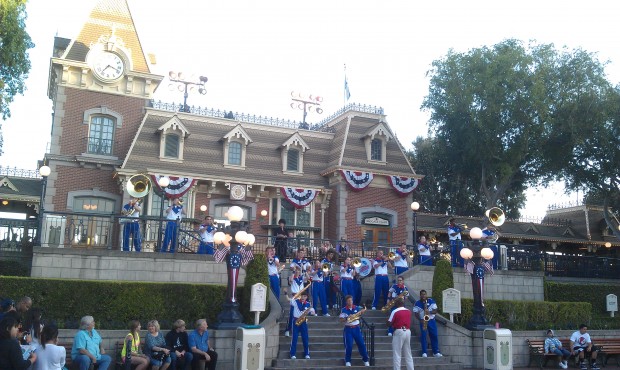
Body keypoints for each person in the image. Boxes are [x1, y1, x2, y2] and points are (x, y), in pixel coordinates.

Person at [339, 295, 370, 367]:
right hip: (348, 329)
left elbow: (360, 315)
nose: (350, 302)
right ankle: (348, 361)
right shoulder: (344, 309)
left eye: (351, 300)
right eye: (349, 301)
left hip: (356, 328)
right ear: (346, 302)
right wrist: (347, 318)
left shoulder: (356, 307)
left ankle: (365, 360)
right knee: (348, 346)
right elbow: (341, 320)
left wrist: (361, 312)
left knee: (361, 344)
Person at [412, 290, 442, 358]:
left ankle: (436, 352)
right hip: (423, 321)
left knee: (434, 335)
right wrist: (420, 320)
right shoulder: (417, 303)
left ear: (426, 294)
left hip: (431, 320)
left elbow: (436, 310)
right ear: (420, 295)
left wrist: (430, 312)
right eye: (422, 294)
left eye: (425, 294)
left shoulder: (431, 301)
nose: (423, 296)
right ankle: (424, 352)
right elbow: (416, 314)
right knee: (423, 336)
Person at [387, 298, 414, 370]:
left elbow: (389, 323)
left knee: (397, 353)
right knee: (408, 353)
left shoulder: (395, 311)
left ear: (397, 303)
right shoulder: (408, 311)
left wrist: (387, 320)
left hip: (399, 331)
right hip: (408, 331)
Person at [287, 290, 315, 359]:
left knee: (305, 338)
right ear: (300, 296)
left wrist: (312, 312)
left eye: (304, 296)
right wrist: (285, 293)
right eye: (302, 296)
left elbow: (313, 312)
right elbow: (288, 300)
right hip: (296, 320)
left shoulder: (308, 304)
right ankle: (292, 354)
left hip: (303, 321)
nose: (303, 297)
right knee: (294, 338)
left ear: (306, 297)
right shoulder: (295, 302)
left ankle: (307, 353)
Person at [284, 266, 307, 337]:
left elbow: (308, 278)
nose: (298, 272)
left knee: (301, 314)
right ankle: (288, 330)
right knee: (292, 314)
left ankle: (299, 329)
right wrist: (293, 272)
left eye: (298, 270)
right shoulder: (292, 277)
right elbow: (290, 280)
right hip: (295, 297)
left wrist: (304, 270)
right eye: (296, 270)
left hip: (301, 297)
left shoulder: (301, 278)